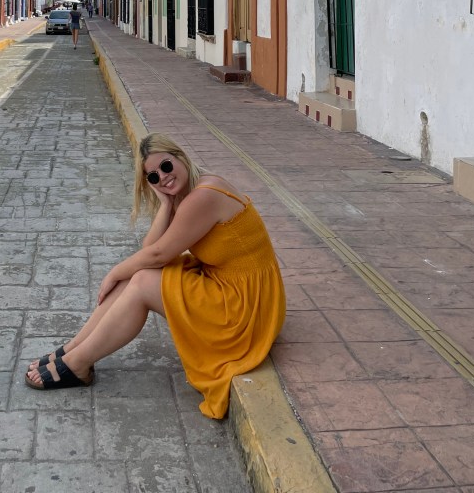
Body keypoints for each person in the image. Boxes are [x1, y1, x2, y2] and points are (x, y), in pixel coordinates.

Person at [25, 132, 286, 418]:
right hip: (231, 286)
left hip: (243, 309)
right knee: (138, 274)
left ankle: (78, 363)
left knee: (140, 282)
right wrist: (165, 204)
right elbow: (151, 249)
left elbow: (157, 255)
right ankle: (74, 349)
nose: (163, 177)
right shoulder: (189, 191)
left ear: (179, 156)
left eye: (165, 166)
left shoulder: (203, 196)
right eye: (153, 177)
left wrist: (113, 272)